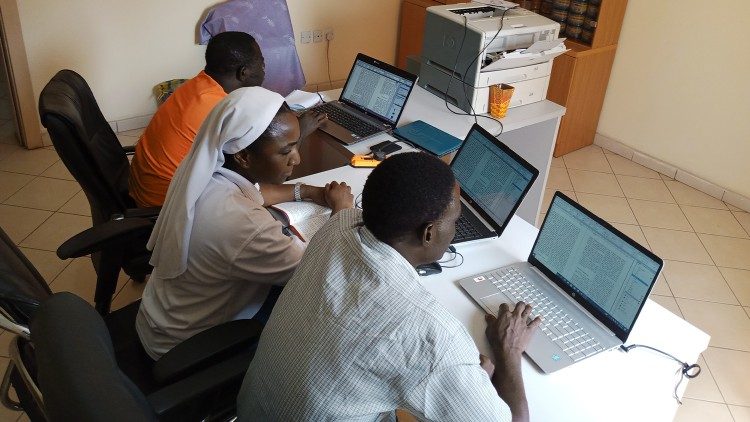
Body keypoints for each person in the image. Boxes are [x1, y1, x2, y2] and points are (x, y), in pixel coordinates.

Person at [238, 152, 541, 422]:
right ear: (429, 233)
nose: (455, 229)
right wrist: (509, 351)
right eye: (456, 220)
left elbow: (345, 213)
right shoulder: (434, 337)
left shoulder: (338, 227)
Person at [135, 87, 353, 360]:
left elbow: (257, 193)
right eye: (285, 151)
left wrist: (309, 191)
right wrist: (343, 210)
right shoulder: (246, 225)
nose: (296, 158)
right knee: (325, 317)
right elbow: (320, 272)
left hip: (161, 319)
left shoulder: (202, 175)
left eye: (296, 144)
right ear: (244, 157)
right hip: (188, 347)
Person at [128, 31, 324, 207]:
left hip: (145, 189)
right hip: (164, 206)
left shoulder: (198, 85)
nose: (264, 69)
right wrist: (301, 132)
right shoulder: (218, 110)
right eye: (262, 63)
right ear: (244, 72)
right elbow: (248, 179)